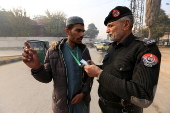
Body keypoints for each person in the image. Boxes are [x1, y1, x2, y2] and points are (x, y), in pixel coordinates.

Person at [84, 6, 161, 113]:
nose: (107, 30)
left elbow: (143, 96)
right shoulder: (113, 46)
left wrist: (99, 74)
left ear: (126, 24)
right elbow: (114, 70)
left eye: (110, 26)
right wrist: (97, 68)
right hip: (105, 107)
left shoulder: (145, 49)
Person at [22, 16, 93, 113]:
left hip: (81, 103)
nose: (82, 34)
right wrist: (37, 68)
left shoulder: (84, 50)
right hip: (62, 105)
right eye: (78, 30)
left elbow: (90, 75)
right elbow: (46, 78)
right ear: (67, 31)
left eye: (83, 31)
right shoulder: (53, 51)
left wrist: (83, 94)